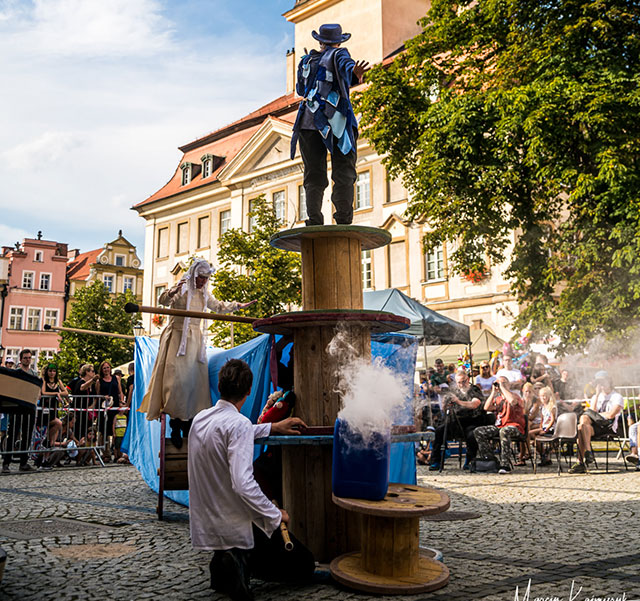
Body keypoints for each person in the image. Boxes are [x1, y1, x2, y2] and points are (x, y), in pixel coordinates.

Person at [188, 359, 315, 600]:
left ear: (220, 385)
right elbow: (243, 484)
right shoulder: (238, 425)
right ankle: (239, 558)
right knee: (304, 564)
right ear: (248, 390)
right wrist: (275, 515)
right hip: (235, 523)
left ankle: (224, 558)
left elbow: (232, 432)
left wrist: (273, 427)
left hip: (208, 520)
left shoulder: (200, 420)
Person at [139, 259, 256, 448]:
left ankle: (189, 424)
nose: (202, 281)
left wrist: (238, 306)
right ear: (194, 275)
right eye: (200, 277)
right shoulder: (182, 288)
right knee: (176, 382)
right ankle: (175, 423)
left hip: (195, 342)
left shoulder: (203, 294)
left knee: (194, 384)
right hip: (177, 339)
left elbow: (218, 306)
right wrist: (173, 291)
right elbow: (163, 301)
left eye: (205, 278)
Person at [290, 23, 368, 226]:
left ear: (320, 41)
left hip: (307, 121)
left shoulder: (306, 61)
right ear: (339, 41)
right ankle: (343, 217)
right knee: (344, 169)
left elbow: (300, 89)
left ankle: (314, 218)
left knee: (313, 173)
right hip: (335, 120)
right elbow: (346, 66)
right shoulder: (339, 54)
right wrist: (355, 73)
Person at [428, 369, 487, 471]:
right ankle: (436, 461)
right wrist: (446, 404)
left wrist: (458, 401)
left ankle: (469, 461)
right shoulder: (454, 391)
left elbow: (475, 404)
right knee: (439, 431)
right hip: (455, 421)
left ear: (468, 379)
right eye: (459, 382)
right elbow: (445, 408)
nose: (461, 384)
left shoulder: (474, 390)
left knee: (472, 434)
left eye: (463, 381)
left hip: (472, 420)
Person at [570, 371, 624, 474]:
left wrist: (598, 415)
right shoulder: (596, 397)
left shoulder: (617, 396)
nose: (602, 384)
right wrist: (597, 394)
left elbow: (611, 415)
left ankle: (581, 461)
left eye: (603, 381)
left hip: (607, 426)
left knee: (584, 420)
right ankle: (587, 454)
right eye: (599, 382)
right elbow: (592, 413)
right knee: (581, 426)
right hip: (594, 426)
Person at [473, 377, 526, 474]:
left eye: (504, 383)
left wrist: (503, 387)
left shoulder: (515, 396)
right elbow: (486, 407)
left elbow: (512, 402)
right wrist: (493, 392)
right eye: (498, 383)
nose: (501, 385)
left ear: (508, 384)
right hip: (500, 426)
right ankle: (490, 460)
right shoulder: (498, 398)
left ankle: (505, 465)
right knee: (478, 431)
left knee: (504, 431)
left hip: (515, 427)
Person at [2, 349, 39, 473]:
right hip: (16, 408)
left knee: (27, 435)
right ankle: (6, 463)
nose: (28, 360)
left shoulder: (34, 374)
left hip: (29, 408)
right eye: (25, 358)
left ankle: (23, 462)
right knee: (12, 434)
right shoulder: (16, 373)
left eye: (29, 358)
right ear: (21, 359)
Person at [39, 363, 68, 462]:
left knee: (53, 436)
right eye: (50, 371)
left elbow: (66, 392)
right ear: (47, 372)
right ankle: (45, 444)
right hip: (44, 410)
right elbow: (43, 392)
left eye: (54, 371)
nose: (52, 373)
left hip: (54, 410)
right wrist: (56, 393)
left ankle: (45, 458)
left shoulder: (58, 381)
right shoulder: (44, 381)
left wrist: (59, 393)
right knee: (58, 423)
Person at [97, 360, 121, 463]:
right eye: (104, 368)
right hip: (104, 407)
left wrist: (121, 402)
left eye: (107, 367)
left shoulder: (116, 378)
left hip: (115, 406)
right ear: (102, 370)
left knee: (115, 430)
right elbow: (97, 395)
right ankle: (105, 453)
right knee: (104, 431)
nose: (106, 370)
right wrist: (103, 397)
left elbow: (120, 392)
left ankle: (116, 452)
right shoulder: (99, 381)